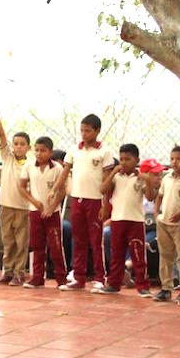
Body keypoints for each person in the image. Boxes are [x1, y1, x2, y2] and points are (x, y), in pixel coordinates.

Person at [53, 114, 115, 291]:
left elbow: (106, 180)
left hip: (95, 201)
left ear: (97, 131)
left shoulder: (105, 152)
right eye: (82, 130)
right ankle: (78, 277)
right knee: (78, 239)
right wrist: (55, 189)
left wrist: (104, 203)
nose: (84, 134)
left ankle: (99, 278)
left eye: (88, 131)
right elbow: (65, 171)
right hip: (77, 199)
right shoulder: (74, 150)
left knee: (96, 241)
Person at [99, 144, 155, 296]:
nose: (124, 162)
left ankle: (143, 286)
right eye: (121, 159)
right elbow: (103, 190)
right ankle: (114, 284)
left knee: (138, 254)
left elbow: (150, 197)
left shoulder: (139, 178)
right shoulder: (116, 177)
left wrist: (148, 181)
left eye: (128, 159)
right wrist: (113, 173)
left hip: (135, 221)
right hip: (117, 220)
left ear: (136, 160)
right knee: (117, 253)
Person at [0, 99, 33, 286]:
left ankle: (19, 273)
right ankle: (7, 271)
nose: (18, 146)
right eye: (16, 143)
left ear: (28, 147)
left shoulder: (30, 165)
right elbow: (1, 135)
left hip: (22, 207)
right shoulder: (8, 158)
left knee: (21, 241)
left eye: (22, 144)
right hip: (6, 204)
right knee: (8, 241)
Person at [18, 137, 67, 288]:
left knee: (56, 246)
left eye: (43, 151)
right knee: (37, 246)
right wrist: (34, 202)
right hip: (35, 212)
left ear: (50, 152)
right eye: (37, 150)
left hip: (52, 214)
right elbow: (21, 186)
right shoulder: (29, 166)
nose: (39, 154)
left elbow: (62, 191)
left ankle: (61, 279)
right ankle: (37, 278)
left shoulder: (57, 169)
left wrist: (51, 208)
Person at [153, 145, 180, 303]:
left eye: (179, 158)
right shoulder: (167, 177)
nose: (174, 162)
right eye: (172, 158)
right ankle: (166, 287)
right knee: (165, 255)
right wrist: (157, 214)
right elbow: (159, 196)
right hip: (164, 222)